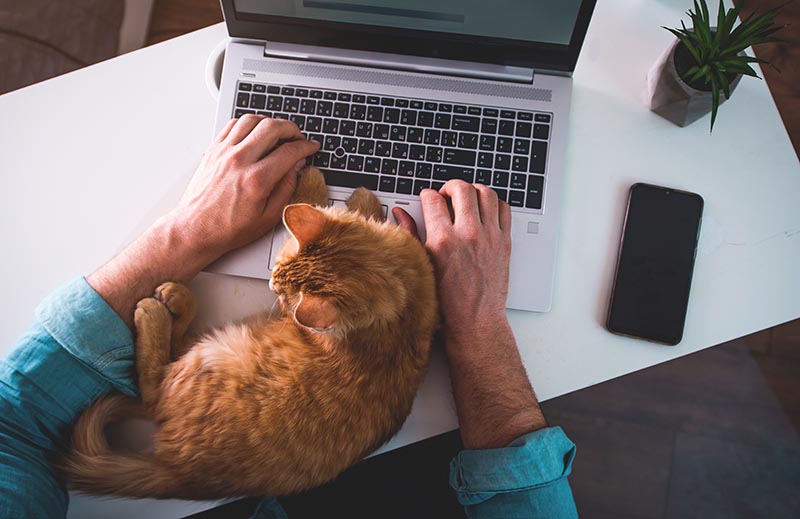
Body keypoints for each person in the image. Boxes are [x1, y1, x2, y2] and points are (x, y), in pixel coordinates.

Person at [0, 115, 577, 518]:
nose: (285, 299)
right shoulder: (378, 299)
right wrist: (479, 325)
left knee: (223, 370)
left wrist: (186, 234)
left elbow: (15, 421)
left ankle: (156, 386)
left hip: (277, 462)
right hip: (313, 473)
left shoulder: (335, 313)